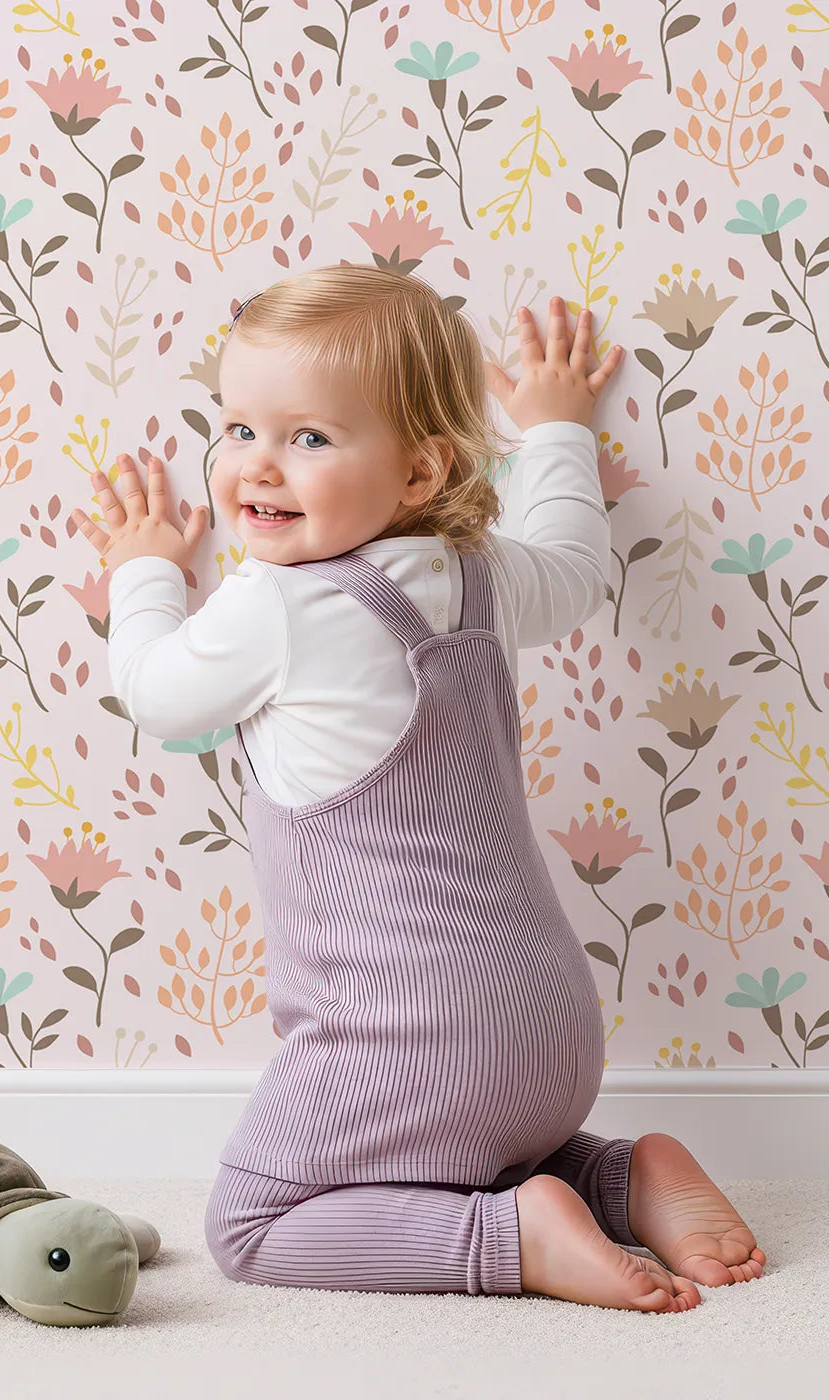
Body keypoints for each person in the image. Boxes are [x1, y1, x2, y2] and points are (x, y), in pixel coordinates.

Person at [70, 265, 766, 1312]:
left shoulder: (280, 606)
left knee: (250, 1224)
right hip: (549, 1030)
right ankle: (611, 1176)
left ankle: (512, 1233)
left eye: (306, 438)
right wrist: (553, 430)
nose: (254, 466)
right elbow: (576, 564)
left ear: (415, 470)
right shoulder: (477, 566)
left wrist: (142, 569)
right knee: (448, 1147)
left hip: (413, 1041)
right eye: (234, 428)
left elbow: (156, 691)